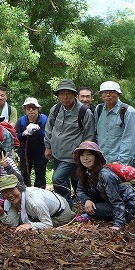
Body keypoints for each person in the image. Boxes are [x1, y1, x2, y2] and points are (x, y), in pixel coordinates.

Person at [74, 141, 135, 229]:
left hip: (130, 206)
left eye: (89, 154)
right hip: (110, 200)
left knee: (95, 210)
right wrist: (87, 200)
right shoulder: (86, 172)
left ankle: (126, 217)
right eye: (82, 155)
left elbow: (116, 200)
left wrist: (118, 224)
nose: (85, 158)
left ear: (96, 157)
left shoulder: (105, 174)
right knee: (88, 198)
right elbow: (79, 190)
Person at [44, 79, 95, 208]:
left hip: (72, 155)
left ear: (74, 95)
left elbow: (89, 135)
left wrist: (83, 154)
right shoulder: (55, 109)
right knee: (63, 181)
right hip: (57, 152)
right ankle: (65, 206)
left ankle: (68, 205)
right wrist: (48, 146)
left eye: (68, 93)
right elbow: (49, 128)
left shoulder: (84, 112)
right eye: (62, 94)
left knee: (57, 179)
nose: (65, 97)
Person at [0, 174, 75, 231]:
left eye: (12, 190)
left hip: (60, 214)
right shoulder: (11, 200)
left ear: (20, 188)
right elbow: (13, 223)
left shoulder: (35, 202)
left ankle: (69, 215)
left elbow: (48, 224)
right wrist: (2, 214)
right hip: (52, 204)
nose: (10, 195)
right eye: (5, 192)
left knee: (27, 225)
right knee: (22, 222)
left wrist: (31, 225)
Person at [95, 81, 135, 166]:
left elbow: (131, 139)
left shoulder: (128, 111)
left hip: (122, 161)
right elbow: (97, 134)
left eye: (112, 92)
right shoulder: (99, 109)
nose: (108, 95)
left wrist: (121, 162)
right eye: (105, 92)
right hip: (103, 160)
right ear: (101, 95)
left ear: (118, 94)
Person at [14, 97, 48, 188]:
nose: (31, 110)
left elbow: (47, 137)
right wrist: (24, 134)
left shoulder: (44, 120)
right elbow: (16, 138)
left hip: (40, 152)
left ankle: (40, 194)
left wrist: (38, 130)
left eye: (34, 108)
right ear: (25, 110)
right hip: (25, 153)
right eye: (28, 108)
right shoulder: (21, 121)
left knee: (40, 176)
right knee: (25, 175)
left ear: (38, 109)